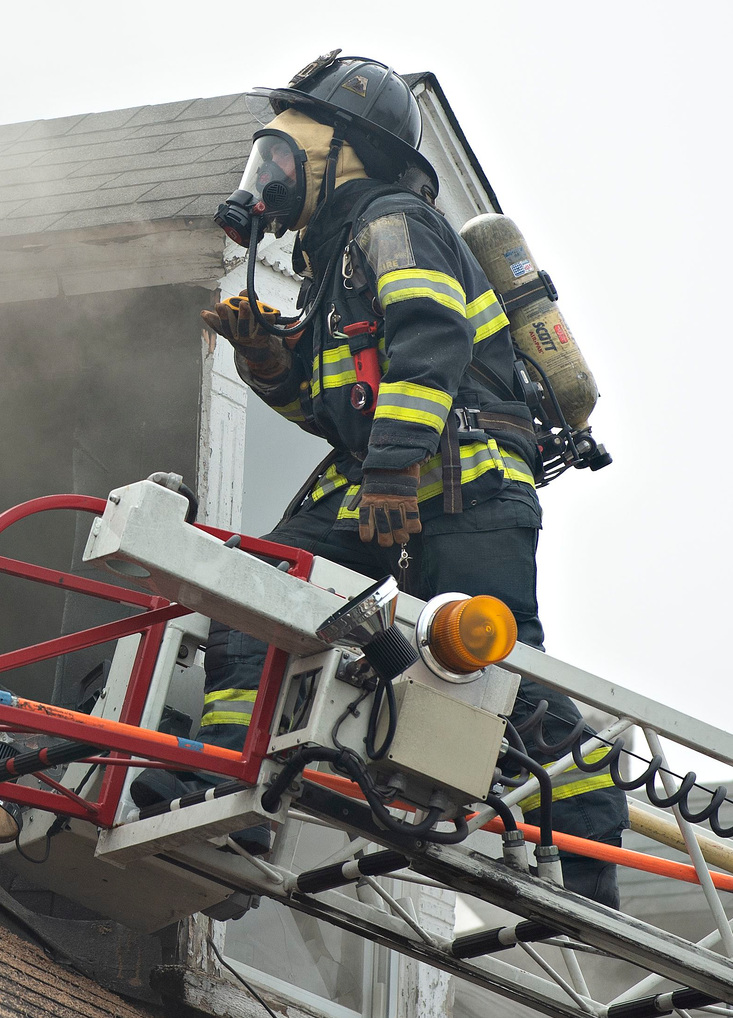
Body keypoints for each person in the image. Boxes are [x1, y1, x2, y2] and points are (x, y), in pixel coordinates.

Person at [173, 52, 626, 904]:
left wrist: (389, 472)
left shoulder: (393, 226)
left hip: (469, 483)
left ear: (349, 153)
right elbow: (336, 409)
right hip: (383, 479)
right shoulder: (332, 259)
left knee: (493, 676)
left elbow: (431, 344)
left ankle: (597, 859)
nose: (265, 177)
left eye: (283, 158)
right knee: (261, 591)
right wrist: (269, 361)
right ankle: (230, 791)